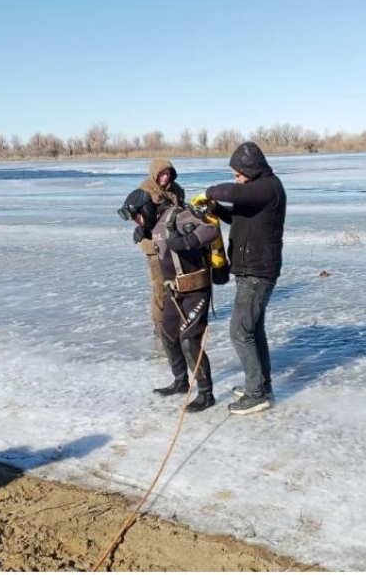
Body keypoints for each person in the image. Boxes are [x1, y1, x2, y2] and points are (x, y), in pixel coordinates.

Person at [202, 141, 286, 415]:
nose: (236, 177)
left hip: (258, 272)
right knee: (253, 330)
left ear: (250, 167)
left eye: (238, 172)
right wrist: (216, 210)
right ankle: (261, 386)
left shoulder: (267, 187)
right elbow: (240, 217)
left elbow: (232, 192)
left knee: (239, 332)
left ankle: (256, 394)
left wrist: (209, 192)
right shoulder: (255, 192)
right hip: (249, 269)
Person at [120, 185, 221, 412]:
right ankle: (180, 381)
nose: (136, 221)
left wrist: (187, 242)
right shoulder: (154, 224)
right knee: (167, 334)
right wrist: (146, 233)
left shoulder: (177, 215)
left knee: (189, 341)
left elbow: (209, 230)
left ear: (145, 209)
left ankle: (206, 394)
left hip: (195, 290)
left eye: (137, 216)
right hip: (174, 292)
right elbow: (161, 238)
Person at [137, 159, 186, 339]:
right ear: (155, 174)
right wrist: (141, 226)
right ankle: (159, 324)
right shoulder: (145, 190)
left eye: (168, 174)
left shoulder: (176, 189)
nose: (165, 178)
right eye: (162, 174)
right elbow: (136, 215)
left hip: (174, 243)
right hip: (155, 246)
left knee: (178, 283)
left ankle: (176, 318)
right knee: (160, 286)